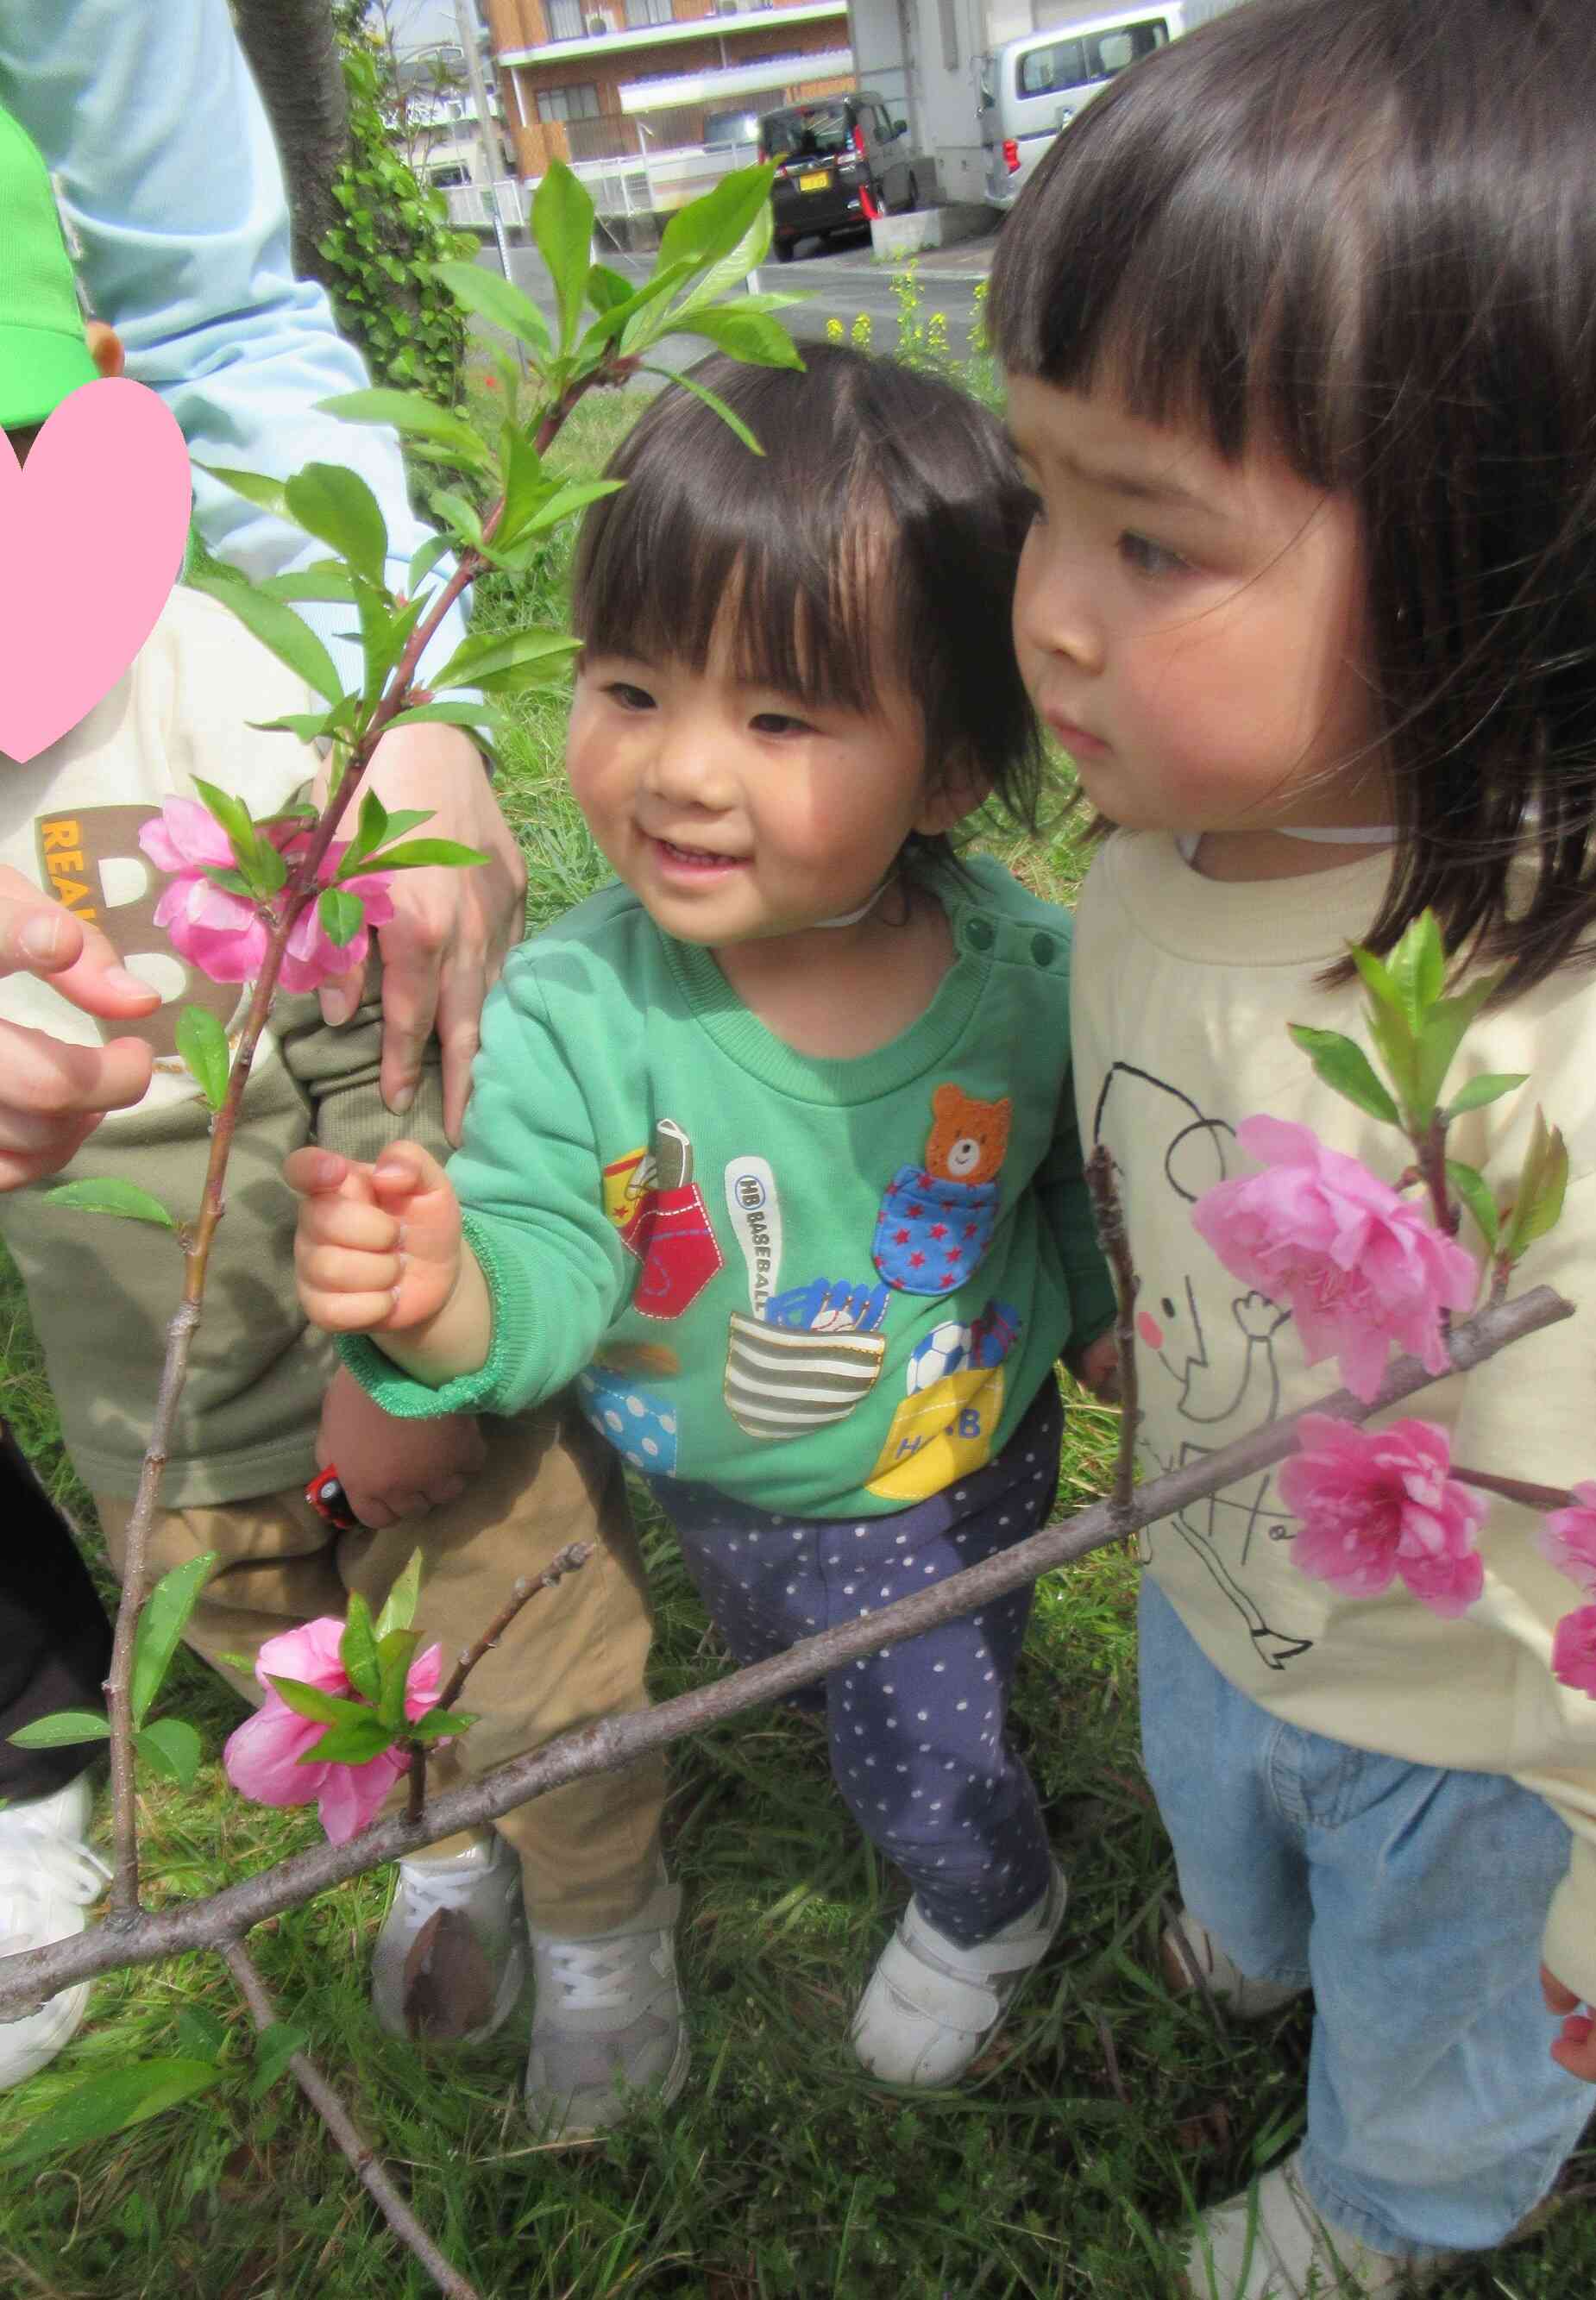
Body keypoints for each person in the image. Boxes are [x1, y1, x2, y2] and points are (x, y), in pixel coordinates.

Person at [989, 1, 1596, 2291]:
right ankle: (1252, 1931)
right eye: (1039, 494)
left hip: (1472, 1738)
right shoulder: (1151, 862)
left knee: (1446, 2015)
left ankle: (1385, 2204)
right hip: (1219, 1589)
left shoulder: (1595, 1076)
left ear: (1488, 555)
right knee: (1242, 1835)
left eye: (1154, 539)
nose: (1044, 610)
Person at [291, 345, 1121, 2100]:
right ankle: (895, 1742)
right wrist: (440, 1298)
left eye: (780, 716)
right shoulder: (585, 1010)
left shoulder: (1033, 982)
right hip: (710, 1478)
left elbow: (1062, 1175)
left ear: (955, 764)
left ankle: (993, 1897)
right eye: (631, 685)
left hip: (947, 1468)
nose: (677, 769)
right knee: (798, 1667)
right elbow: (550, 1263)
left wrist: (1108, 1306)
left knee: (925, 1733)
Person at [0, 104, 675, 2141]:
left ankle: (600, 1901)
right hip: (154, 1427)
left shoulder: (217, 689)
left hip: (385, 1363)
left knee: (530, 1645)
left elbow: (394, 1039)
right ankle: (430, 1835)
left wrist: (401, 1361)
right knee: (299, 1679)